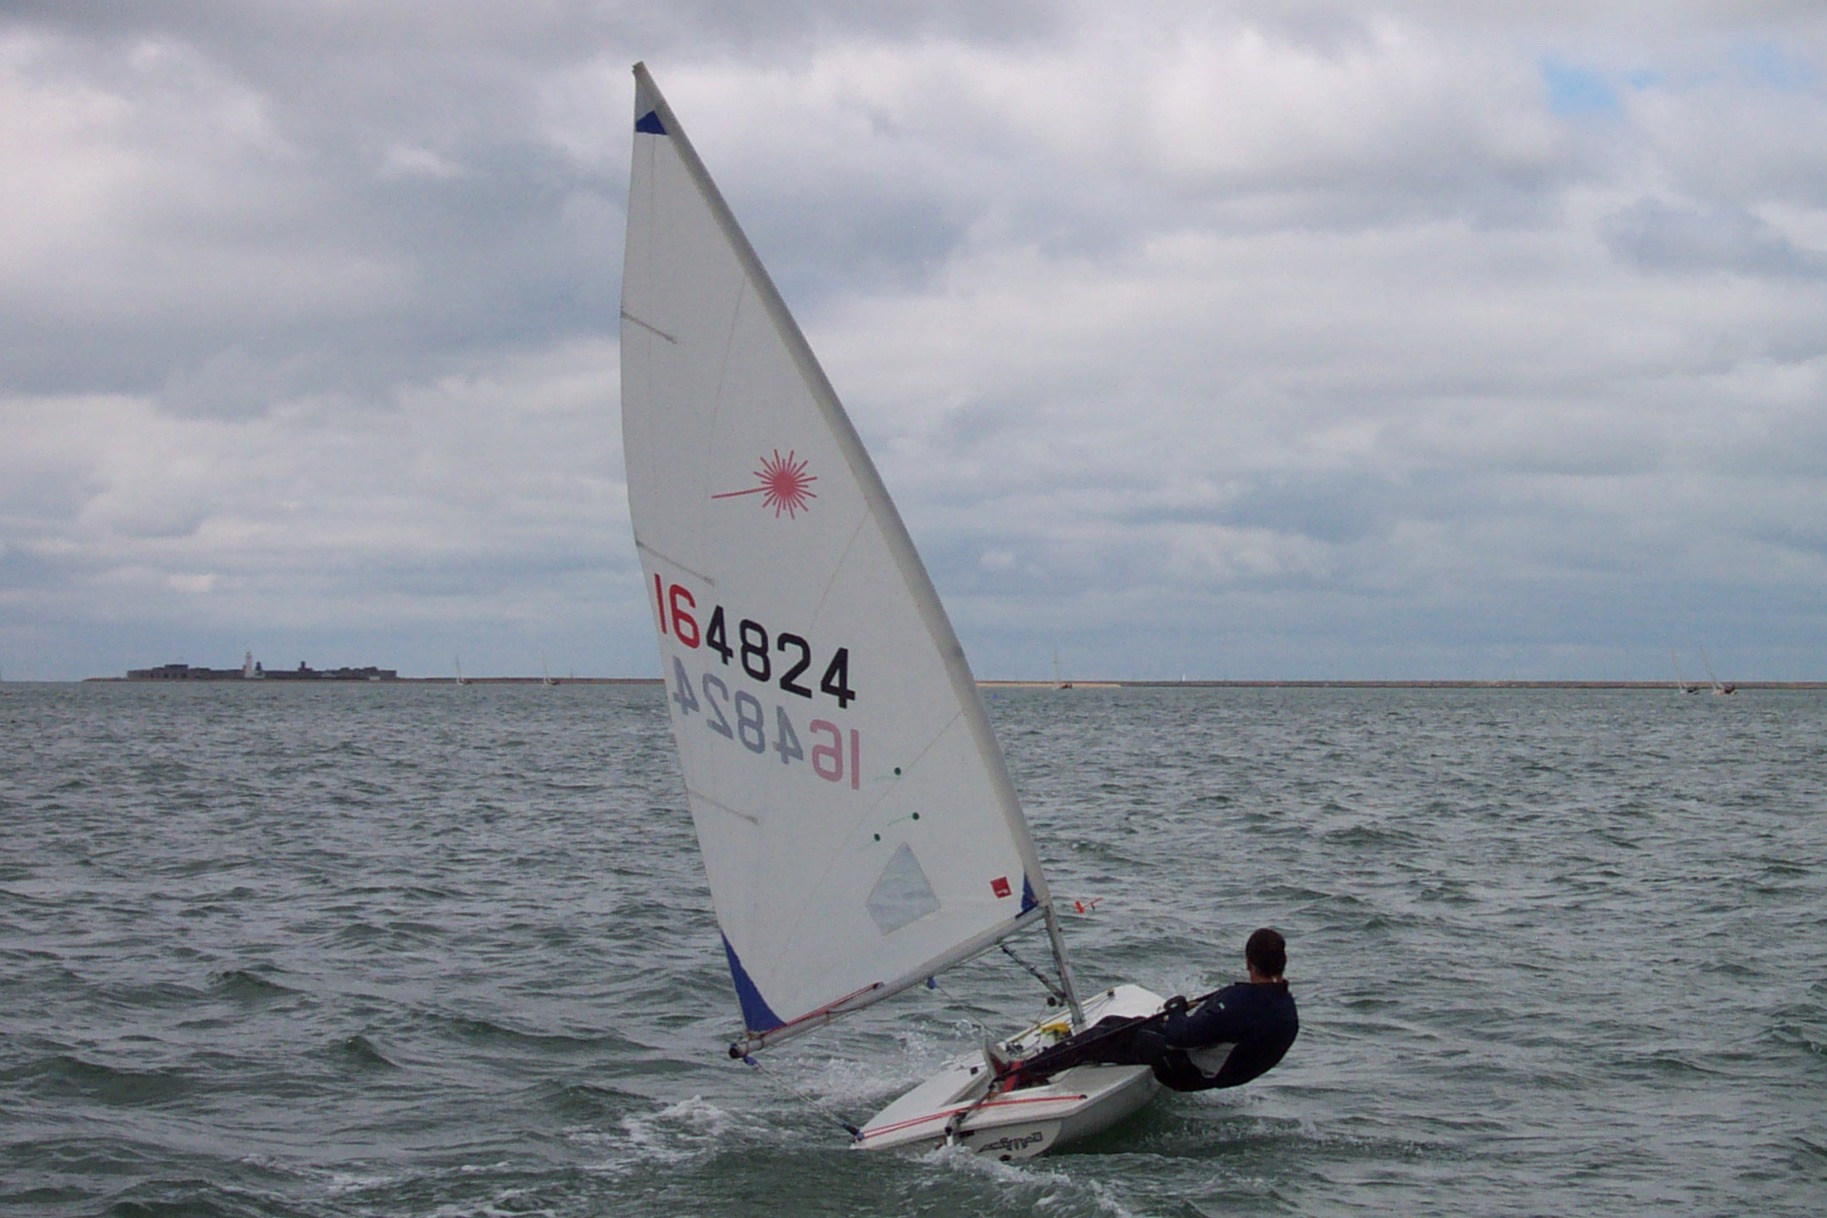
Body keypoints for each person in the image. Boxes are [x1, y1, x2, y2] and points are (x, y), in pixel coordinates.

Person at [1000, 927, 1298, 1092]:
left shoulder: (1239, 1002)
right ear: (1282, 963)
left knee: (1112, 1033)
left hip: (1188, 1073)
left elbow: (1181, 1036)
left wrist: (1176, 1007)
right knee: (1126, 1022)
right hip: (1223, 1074)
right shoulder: (1286, 1009)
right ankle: (1051, 1064)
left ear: (1248, 962)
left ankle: (1025, 1072)